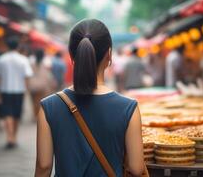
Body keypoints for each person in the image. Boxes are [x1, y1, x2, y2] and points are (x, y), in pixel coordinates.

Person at [35, 19, 144, 176]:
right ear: (109, 55)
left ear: (72, 57)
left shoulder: (48, 106)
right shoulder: (129, 108)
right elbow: (136, 168)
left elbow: (44, 166)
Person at [0, 36, 33, 149]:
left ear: (7, 46)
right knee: (16, 114)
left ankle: (9, 136)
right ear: (18, 46)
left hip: (5, 90)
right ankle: (14, 137)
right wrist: (27, 91)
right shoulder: (23, 59)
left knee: (7, 114)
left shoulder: (1, 59)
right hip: (19, 90)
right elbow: (27, 77)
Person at [29, 49, 56, 121]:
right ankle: (41, 117)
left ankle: (35, 116)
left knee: (34, 102)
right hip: (44, 87)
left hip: (33, 87)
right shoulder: (46, 64)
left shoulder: (31, 64)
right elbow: (49, 76)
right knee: (43, 102)